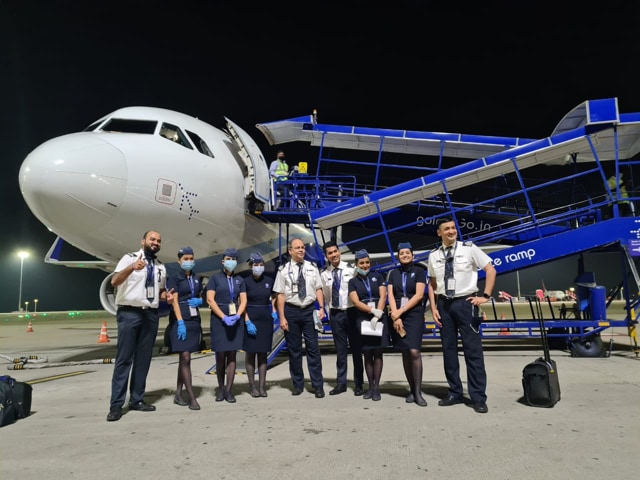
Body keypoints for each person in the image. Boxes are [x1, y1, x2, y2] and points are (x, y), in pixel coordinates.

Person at [427, 217, 496, 414]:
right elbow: (432, 284)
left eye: (453, 228)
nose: (451, 231)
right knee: (449, 351)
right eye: (446, 229)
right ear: (439, 233)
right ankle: (455, 392)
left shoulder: (469, 248)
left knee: (473, 352)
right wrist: (433, 308)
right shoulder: (433, 255)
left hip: (465, 303)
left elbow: (490, 270)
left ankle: (478, 397)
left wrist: (485, 296)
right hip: (444, 304)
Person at [106, 230, 169, 422]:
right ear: (143, 241)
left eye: (158, 240)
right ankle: (116, 405)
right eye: (152, 239)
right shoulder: (129, 258)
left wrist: (167, 296)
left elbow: (160, 291)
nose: (155, 243)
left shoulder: (160, 267)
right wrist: (132, 268)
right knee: (124, 359)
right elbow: (115, 281)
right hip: (129, 313)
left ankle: (136, 399)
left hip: (150, 314)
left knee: (143, 359)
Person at [273, 237, 326, 398]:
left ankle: (317, 386)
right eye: (297, 248)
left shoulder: (312, 267)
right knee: (294, 350)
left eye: (303, 247)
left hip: (309, 310)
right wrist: (282, 317)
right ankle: (298, 384)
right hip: (292, 311)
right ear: (290, 251)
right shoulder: (283, 270)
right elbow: (280, 295)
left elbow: (318, 289)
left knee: (313, 349)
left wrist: (322, 307)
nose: (301, 250)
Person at [387, 242, 428, 407]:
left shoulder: (419, 271)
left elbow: (418, 296)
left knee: (414, 352)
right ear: (398, 256)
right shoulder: (392, 273)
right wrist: (395, 316)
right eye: (402, 253)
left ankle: (418, 392)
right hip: (398, 315)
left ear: (412, 255)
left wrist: (401, 311)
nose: (405, 255)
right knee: (405, 352)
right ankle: (411, 390)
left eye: (407, 253)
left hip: (414, 315)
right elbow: (391, 295)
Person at [320, 240, 363, 396]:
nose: (334, 255)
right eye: (330, 253)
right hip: (336, 314)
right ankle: (341, 383)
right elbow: (326, 296)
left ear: (339, 252)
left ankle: (359, 384)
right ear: (326, 256)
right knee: (340, 351)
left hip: (352, 312)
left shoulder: (352, 270)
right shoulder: (324, 274)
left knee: (357, 350)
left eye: (335, 251)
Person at [206, 248, 247, 403]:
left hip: (235, 320)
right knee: (220, 356)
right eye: (228, 258)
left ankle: (229, 390)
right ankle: (220, 389)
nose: (231, 261)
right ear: (223, 261)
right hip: (219, 320)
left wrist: (237, 315)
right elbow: (210, 300)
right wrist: (223, 317)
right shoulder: (214, 279)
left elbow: (243, 300)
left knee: (232, 356)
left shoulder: (240, 280)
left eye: (234, 259)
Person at [348, 249, 390, 401]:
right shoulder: (352, 282)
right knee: (367, 353)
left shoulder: (378, 276)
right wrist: (371, 310)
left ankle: (377, 388)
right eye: (361, 263)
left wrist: (378, 312)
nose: (365, 265)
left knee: (378, 353)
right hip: (363, 319)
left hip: (379, 318)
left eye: (367, 262)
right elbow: (356, 301)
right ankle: (370, 387)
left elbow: (382, 295)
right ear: (356, 265)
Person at [167, 246, 203, 410]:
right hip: (180, 321)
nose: (189, 261)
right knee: (186, 358)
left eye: (191, 258)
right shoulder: (174, 278)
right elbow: (174, 301)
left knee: (184, 359)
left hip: (194, 320)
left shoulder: (196, 278)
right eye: (185, 259)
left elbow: (198, 295)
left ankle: (178, 394)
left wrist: (199, 301)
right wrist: (180, 321)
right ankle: (191, 397)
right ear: (179, 261)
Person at [243, 252, 276, 398]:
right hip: (251, 317)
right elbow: (242, 302)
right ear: (251, 266)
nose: (259, 267)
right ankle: (252, 386)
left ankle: (262, 387)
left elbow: (274, 296)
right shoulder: (245, 282)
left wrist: (274, 310)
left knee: (263, 354)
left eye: (261, 265)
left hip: (265, 319)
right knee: (251, 354)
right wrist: (247, 320)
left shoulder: (269, 280)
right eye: (256, 265)